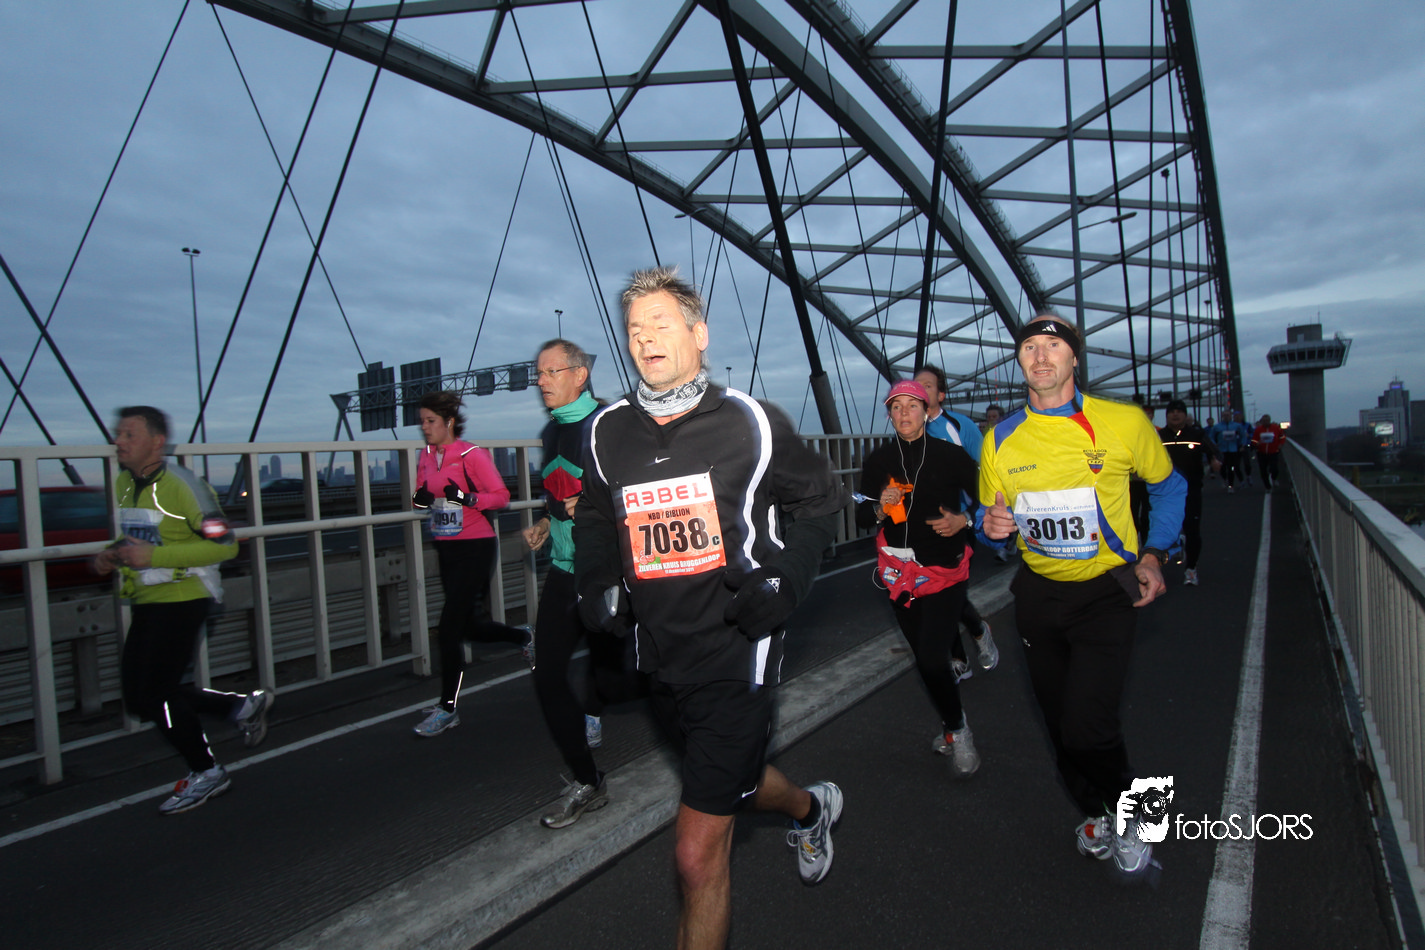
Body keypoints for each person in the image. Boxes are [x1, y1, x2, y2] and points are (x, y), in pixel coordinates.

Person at [576, 266, 848, 949]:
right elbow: (593, 512)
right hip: (658, 653)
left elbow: (822, 501)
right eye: (633, 330)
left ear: (699, 335)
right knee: (735, 782)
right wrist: (596, 580)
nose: (645, 339)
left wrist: (786, 582)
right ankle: (810, 808)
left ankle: (800, 810)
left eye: (660, 323)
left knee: (696, 855)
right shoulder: (606, 431)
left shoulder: (751, 422)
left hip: (737, 649)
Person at [979, 315, 1185, 880]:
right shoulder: (1000, 439)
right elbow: (992, 521)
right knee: (1057, 724)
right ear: (1019, 360)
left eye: (1054, 345)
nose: (1041, 356)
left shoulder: (1123, 422)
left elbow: (1170, 487)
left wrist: (1155, 553)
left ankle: (1140, 816)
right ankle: (1098, 813)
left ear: (1075, 358)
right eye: (1029, 347)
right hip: (1037, 594)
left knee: (1087, 725)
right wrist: (990, 528)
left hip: (1106, 592)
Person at [91, 406, 272, 815]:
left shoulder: (183, 486)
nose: (118, 441)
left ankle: (206, 771)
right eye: (118, 434)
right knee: (140, 696)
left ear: (157, 443)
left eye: (129, 435)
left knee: (154, 691)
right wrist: (112, 554)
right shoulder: (124, 482)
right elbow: (138, 536)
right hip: (149, 598)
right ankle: (239, 707)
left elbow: (225, 545)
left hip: (185, 596)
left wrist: (153, 557)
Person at [522, 338, 642, 828]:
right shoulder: (551, 432)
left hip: (608, 570)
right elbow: (560, 493)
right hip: (564, 569)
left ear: (579, 375)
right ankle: (588, 781)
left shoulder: (610, 424)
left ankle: (711, 741)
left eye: (551, 371)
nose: (542, 381)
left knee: (622, 678)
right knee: (547, 674)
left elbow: (642, 492)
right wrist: (545, 522)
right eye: (539, 373)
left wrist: (595, 504)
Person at [857, 380, 982, 776]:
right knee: (928, 662)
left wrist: (965, 519)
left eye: (912, 405)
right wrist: (880, 509)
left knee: (931, 656)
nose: (904, 413)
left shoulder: (950, 455)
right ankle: (952, 723)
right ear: (889, 414)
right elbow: (861, 516)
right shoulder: (879, 460)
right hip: (899, 574)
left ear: (927, 412)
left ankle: (959, 731)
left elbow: (988, 496)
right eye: (896, 407)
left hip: (945, 570)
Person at [410, 390, 531, 737]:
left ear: (448, 422)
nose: (424, 427)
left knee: (448, 628)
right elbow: (420, 497)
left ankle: (448, 708)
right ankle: (524, 636)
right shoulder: (426, 456)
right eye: (421, 422)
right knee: (470, 627)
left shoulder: (471, 455)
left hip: (476, 547)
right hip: (445, 547)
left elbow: (501, 497)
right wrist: (421, 500)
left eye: (430, 421)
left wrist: (467, 498)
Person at [912, 365, 998, 679]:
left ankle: (976, 631)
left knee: (946, 591)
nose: (920, 390)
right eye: (916, 385)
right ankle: (960, 658)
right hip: (923, 525)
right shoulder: (908, 430)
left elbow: (986, 472)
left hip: (958, 522)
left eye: (928, 385)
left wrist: (971, 516)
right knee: (932, 592)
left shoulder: (959, 426)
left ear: (941, 394)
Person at [1159, 399, 1221, 585]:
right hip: (1164, 492)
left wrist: (1215, 460)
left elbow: (1215, 451)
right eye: (1171, 411)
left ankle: (1191, 569)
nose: (1175, 414)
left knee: (1192, 530)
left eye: (1179, 411)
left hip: (1190, 489)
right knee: (1163, 532)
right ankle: (1174, 548)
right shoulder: (1158, 436)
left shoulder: (1196, 434)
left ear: (1185, 416)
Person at [1209, 410, 1252, 492]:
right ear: (1222, 416)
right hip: (1221, 450)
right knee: (1222, 468)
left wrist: (1242, 445)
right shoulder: (1217, 427)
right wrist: (1214, 444)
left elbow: (1243, 436)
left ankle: (1231, 486)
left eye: (1228, 415)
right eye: (1225, 415)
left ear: (1231, 416)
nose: (1226, 417)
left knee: (1231, 468)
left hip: (1233, 450)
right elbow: (1211, 437)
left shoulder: (1237, 426)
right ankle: (1224, 479)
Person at [1252, 413, 1285, 491]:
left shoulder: (1276, 428)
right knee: (1263, 470)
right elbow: (1254, 440)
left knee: (1274, 468)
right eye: (1264, 421)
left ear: (1269, 420)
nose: (1265, 422)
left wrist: (1281, 444)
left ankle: (1274, 478)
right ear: (1262, 421)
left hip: (1273, 452)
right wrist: (1257, 443)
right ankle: (1267, 486)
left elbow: (1282, 437)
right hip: (1261, 452)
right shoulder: (1258, 429)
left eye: (1267, 421)